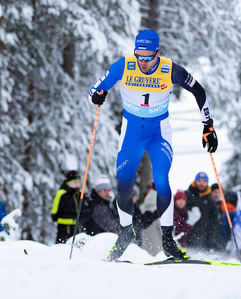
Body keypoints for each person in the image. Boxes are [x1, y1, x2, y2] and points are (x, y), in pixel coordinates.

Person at [89, 29, 218, 261]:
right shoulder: (124, 66)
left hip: (159, 131)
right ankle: (125, 232)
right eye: (139, 56)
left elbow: (199, 91)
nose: (143, 62)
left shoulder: (170, 69)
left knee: (161, 179)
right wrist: (97, 95)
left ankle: (168, 241)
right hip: (131, 131)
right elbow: (95, 89)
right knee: (125, 182)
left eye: (148, 57)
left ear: (158, 53)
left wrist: (208, 125)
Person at [184, 172, 219, 251]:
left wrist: (210, 236)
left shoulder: (210, 200)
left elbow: (214, 220)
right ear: (195, 181)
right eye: (199, 180)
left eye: (204, 181)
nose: (201, 183)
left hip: (204, 235)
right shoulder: (187, 194)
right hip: (187, 234)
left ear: (207, 183)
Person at [52, 170, 82, 244]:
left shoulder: (80, 194)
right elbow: (54, 210)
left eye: (79, 182)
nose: (77, 185)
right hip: (64, 226)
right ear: (68, 183)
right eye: (75, 182)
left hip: (77, 225)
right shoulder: (62, 193)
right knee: (63, 243)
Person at [139, 181, 162, 256]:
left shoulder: (142, 206)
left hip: (145, 250)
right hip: (158, 251)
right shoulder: (160, 208)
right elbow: (164, 232)